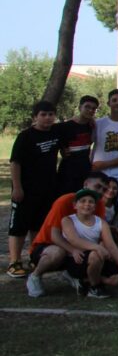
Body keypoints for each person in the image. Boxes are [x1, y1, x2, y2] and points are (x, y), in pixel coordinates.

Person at [7, 100, 61, 278]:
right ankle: (14, 262)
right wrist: (17, 187)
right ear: (35, 117)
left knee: (38, 226)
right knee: (19, 226)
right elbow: (15, 162)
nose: (47, 118)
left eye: (50, 114)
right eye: (43, 115)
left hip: (47, 189)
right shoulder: (26, 136)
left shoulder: (55, 133)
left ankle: (33, 256)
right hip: (26, 189)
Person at [58, 188, 118, 298]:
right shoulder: (68, 220)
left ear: (95, 206)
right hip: (77, 259)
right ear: (75, 205)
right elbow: (74, 240)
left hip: (97, 259)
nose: (87, 204)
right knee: (96, 254)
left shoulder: (101, 223)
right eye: (82, 201)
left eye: (91, 202)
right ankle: (95, 288)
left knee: (117, 279)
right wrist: (98, 247)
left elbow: (110, 245)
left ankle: (85, 281)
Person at [55, 95, 98, 194]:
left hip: (85, 171)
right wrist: (62, 150)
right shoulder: (64, 127)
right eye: (87, 107)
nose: (90, 110)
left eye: (93, 108)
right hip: (67, 172)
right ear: (80, 107)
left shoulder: (92, 126)